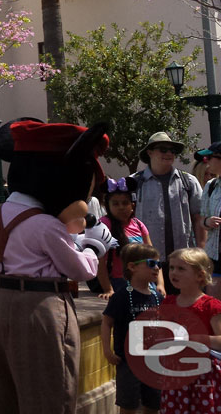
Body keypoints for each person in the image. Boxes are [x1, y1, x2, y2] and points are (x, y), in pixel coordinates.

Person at [0, 119, 115, 414]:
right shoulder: (45, 224)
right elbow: (80, 270)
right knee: (48, 396)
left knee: (2, 397)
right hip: (36, 308)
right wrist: (93, 246)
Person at [129, 132, 204, 293]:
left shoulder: (188, 181)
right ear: (150, 152)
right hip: (147, 262)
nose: (169, 154)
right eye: (163, 149)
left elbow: (198, 218)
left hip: (183, 259)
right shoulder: (134, 182)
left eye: (173, 151)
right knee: (151, 310)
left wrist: (200, 252)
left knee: (184, 309)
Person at [100, 243, 163, 414]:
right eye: (151, 263)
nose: (157, 268)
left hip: (154, 361)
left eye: (159, 264)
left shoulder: (157, 297)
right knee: (129, 405)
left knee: (154, 404)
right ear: (132, 266)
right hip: (128, 362)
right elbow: (106, 322)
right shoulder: (121, 296)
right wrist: (107, 350)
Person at [158, 248, 221, 412]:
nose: (173, 272)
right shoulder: (168, 303)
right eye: (171, 268)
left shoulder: (210, 305)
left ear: (199, 275)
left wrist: (195, 339)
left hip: (203, 373)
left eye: (181, 269)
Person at [95, 177, 160, 299]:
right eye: (115, 204)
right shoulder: (104, 225)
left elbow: (153, 258)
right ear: (107, 206)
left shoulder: (139, 225)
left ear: (132, 205)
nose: (121, 207)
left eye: (125, 203)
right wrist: (108, 289)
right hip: (119, 282)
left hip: (145, 281)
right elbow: (100, 262)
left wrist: (160, 284)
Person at [197, 141, 221, 297]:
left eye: (208, 158)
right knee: (214, 304)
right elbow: (201, 219)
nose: (206, 163)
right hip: (215, 257)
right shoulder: (211, 186)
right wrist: (207, 221)